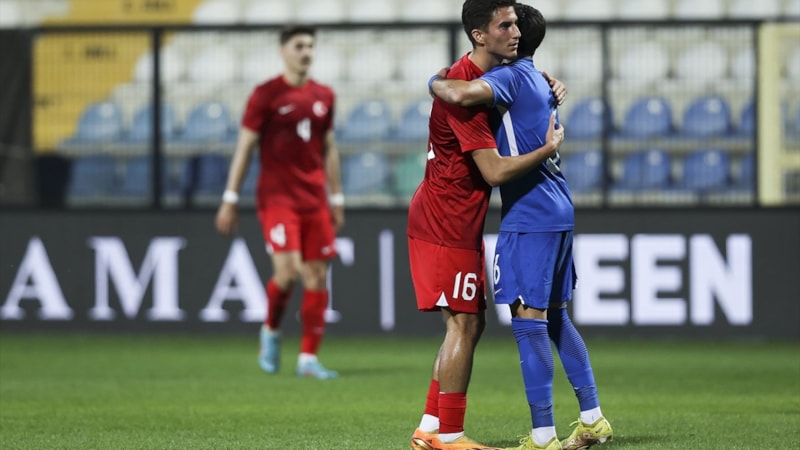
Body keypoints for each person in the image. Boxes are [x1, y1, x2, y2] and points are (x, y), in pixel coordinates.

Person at [429, 4, 612, 450]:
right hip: (558, 208)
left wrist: (433, 80)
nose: (507, 31)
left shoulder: (508, 79)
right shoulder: (538, 79)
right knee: (556, 319)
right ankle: (592, 419)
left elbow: (457, 94)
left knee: (528, 322)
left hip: (529, 215)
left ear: (514, 40)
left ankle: (543, 436)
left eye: (512, 25)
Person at [407, 1, 567, 449]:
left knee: (468, 325)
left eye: (515, 23)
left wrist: (545, 79)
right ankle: (452, 436)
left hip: (456, 217)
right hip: (445, 219)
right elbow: (495, 173)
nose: (516, 31)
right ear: (480, 35)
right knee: (463, 324)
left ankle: (431, 427)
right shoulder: (466, 96)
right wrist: (548, 148)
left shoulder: (474, 79)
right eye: (505, 25)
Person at [215, 25, 344, 380]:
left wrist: (337, 196)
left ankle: (308, 358)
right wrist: (230, 197)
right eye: (299, 45)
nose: (306, 51)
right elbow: (245, 147)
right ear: (283, 51)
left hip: (314, 197)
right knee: (287, 273)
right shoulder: (265, 94)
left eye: (310, 46)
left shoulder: (324, 95)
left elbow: (329, 147)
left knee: (317, 273)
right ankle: (270, 329)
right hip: (277, 198)